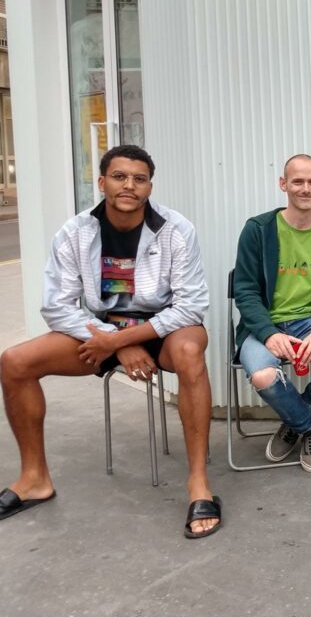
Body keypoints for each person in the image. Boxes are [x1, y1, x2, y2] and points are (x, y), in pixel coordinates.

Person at [0, 145, 221, 538]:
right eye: (120, 177)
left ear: (150, 187)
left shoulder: (175, 229)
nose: (129, 186)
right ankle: (34, 477)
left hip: (164, 330)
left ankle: (199, 484)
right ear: (102, 182)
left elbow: (192, 306)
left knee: (190, 351)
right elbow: (56, 306)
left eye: (139, 179)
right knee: (14, 362)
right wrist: (116, 342)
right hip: (98, 332)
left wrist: (127, 338)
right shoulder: (75, 232)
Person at [233, 154, 311, 473]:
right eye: (298, 181)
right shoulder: (258, 230)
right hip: (265, 324)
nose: (305, 188)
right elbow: (245, 290)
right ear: (283, 184)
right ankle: (309, 425)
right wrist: (268, 333)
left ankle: (294, 420)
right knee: (263, 374)